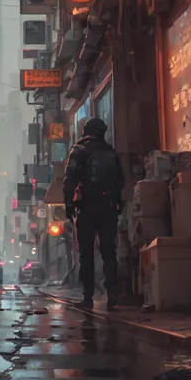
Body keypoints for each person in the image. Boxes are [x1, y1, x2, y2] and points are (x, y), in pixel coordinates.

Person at [63, 117, 124, 312]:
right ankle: (112, 293)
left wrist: (68, 205)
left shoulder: (79, 150)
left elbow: (69, 179)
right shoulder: (111, 152)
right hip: (108, 206)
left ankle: (87, 296)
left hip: (87, 206)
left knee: (86, 253)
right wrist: (118, 203)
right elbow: (119, 181)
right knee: (108, 251)